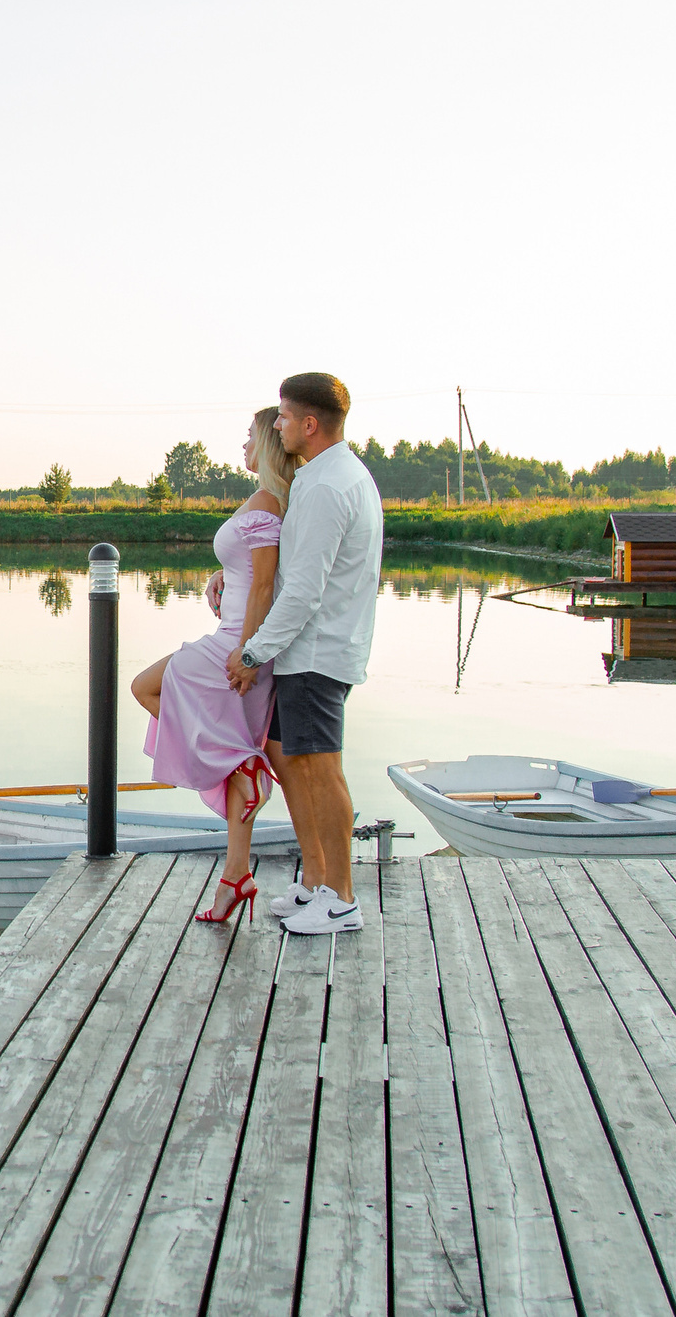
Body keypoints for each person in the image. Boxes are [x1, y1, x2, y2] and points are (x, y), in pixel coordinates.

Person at [226, 371, 383, 935]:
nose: (280, 426)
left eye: (286, 417)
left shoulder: (324, 487)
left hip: (317, 652)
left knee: (321, 771)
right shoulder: (338, 476)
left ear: (310, 424)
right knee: (304, 764)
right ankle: (318, 887)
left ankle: (341, 899)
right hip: (313, 650)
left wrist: (252, 654)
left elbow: (303, 590)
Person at [131, 407, 297, 924]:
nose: (242, 445)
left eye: (249, 437)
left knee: (145, 687)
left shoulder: (269, 502)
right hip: (232, 638)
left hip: (234, 649)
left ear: (268, 444)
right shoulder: (263, 502)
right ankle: (235, 876)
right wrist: (217, 578)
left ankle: (241, 771)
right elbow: (250, 571)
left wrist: (247, 654)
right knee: (237, 754)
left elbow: (266, 587)